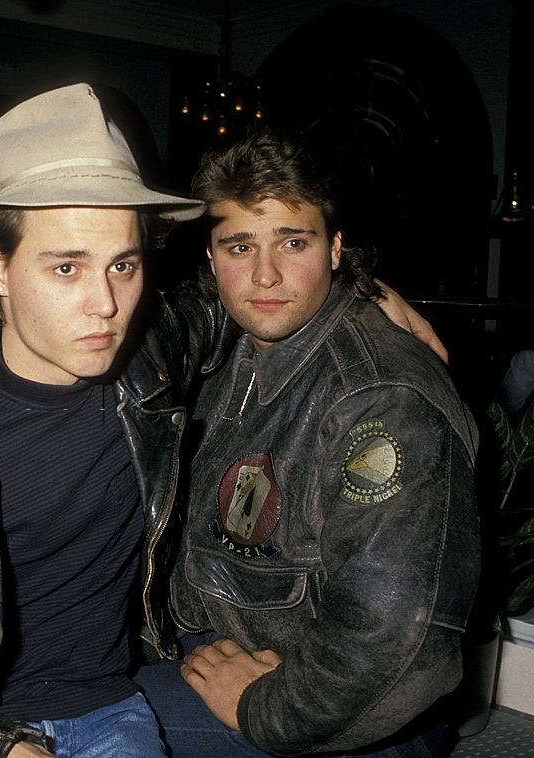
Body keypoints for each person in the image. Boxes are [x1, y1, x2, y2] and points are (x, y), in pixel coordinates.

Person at [0, 83, 444, 758]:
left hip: (104, 707)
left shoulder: (151, 351)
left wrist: (356, 281)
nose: (106, 305)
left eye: (124, 264)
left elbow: (249, 280)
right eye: (66, 267)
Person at [136, 130, 480, 757]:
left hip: (338, 709)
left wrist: (262, 705)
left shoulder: (380, 398)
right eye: (240, 246)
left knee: (72, 734)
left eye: (294, 242)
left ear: (335, 248)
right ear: (211, 260)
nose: (265, 274)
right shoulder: (230, 353)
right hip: (216, 651)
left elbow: (393, 640)